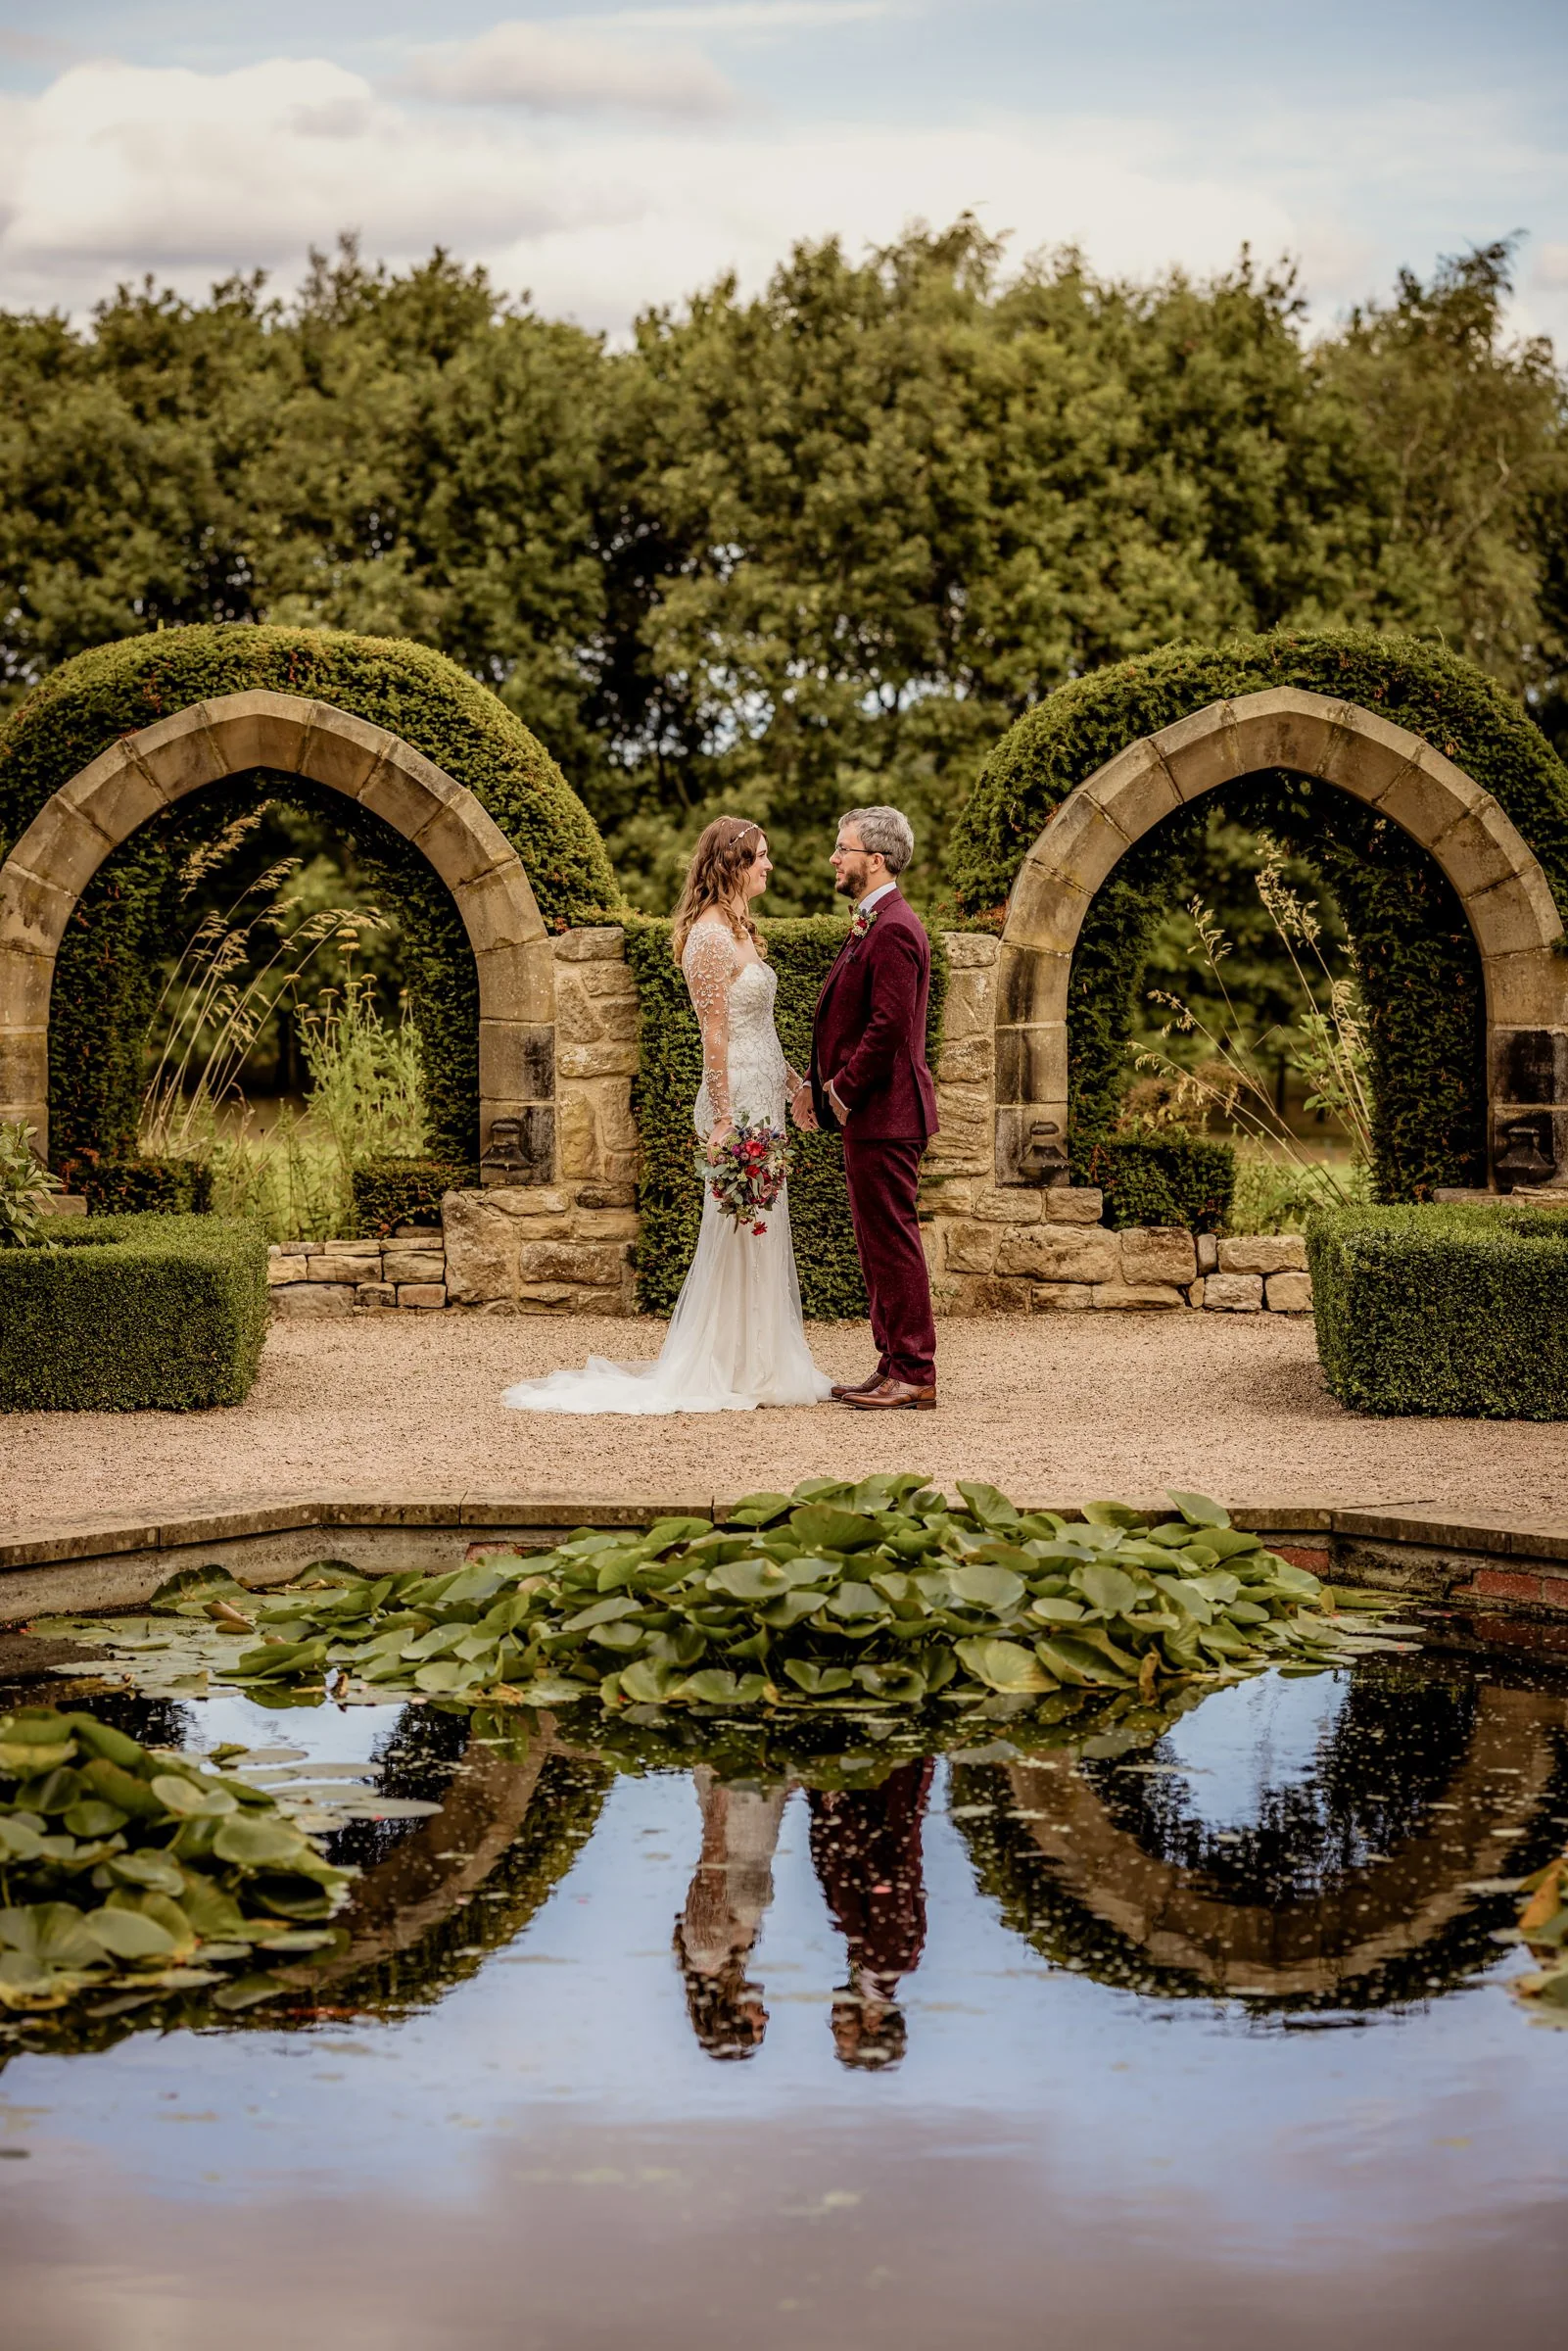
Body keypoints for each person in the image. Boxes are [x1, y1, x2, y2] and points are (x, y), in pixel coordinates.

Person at [500, 816, 832, 1415]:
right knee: (735, 1224)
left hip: (764, 1091)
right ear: (732, 863)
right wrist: (726, 1116)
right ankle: (726, 1364)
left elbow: (762, 1028)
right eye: (761, 855)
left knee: (764, 1222)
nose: (769, 866)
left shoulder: (744, 932)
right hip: (735, 1098)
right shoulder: (707, 939)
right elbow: (715, 1032)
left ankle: (761, 1360)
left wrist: (796, 1086)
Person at [793, 807, 939, 1411]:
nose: (835, 857)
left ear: (873, 859)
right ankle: (890, 1363)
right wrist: (813, 1078)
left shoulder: (897, 928)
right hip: (873, 1116)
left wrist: (839, 1094)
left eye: (842, 848)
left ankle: (915, 1371)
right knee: (875, 1243)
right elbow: (843, 1020)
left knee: (894, 1240)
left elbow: (887, 1029)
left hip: (887, 1113)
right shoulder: (871, 924)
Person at [807, 1759, 934, 2071]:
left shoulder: (869, 1962)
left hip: (861, 1791)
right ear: (873, 2021)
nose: (832, 2019)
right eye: (842, 2030)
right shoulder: (891, 1956)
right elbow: (883, 1869)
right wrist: (840, 1806)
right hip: (873, 1788)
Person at [672, 1767, 791, 2061]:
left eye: (756, 2026)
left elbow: (711, 1866)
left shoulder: (706, 1950)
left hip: (734, 1806)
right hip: (763, 1808)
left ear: (730, 2016)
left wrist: (720, 1791)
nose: (766, 2018)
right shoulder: (736, 1960)